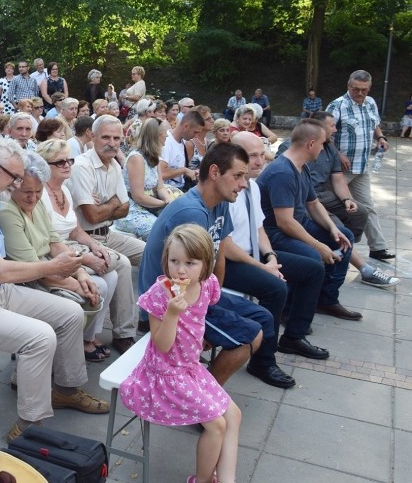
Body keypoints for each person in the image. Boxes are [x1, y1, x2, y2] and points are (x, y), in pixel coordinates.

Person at [0, 138, 109, 442]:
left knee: (70, 312)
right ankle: (29, 426)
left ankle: (65, 390)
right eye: (13, 176)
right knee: (39, 337)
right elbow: (0, 269)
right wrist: (55, 268)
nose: (17, 183)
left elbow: (6, 270)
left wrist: (71, 268)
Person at [138, 143, 289, 388]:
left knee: (263, 316)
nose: (243, 183)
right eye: (238, 176)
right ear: (215, 172)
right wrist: (202, 319)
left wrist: (214, 295)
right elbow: (183, 276)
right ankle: (199, 397)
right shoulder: (191, 211)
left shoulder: (219, 202)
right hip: (170, 303)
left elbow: (220, 251)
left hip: (197, 291)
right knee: (251, 336)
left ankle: (233, 374)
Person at [120, 224, 241, 483]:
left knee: (234, 415)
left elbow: (200, 319)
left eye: (190, 262)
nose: (181, 269)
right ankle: (203, 480)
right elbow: (162, 345)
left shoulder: (207, 285)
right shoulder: (159, 295)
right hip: (162, 375)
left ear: (205, 264)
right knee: (217, 425)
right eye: (174, 261)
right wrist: (173, 313)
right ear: (166, 261)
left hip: (190, 369)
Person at [0, 149, 110, 360]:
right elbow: (34, 269)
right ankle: (54, 364)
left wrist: (81, 274)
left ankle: (64, 357)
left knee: (97, 285)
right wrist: (77, 284)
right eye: (27, 192)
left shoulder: (37, 203)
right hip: (26, 279)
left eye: (38, 191)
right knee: (79, 302)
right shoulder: (7, 211)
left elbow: (55, 243)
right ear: (14, 185)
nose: (33, 197)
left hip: (47, 267)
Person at [226, 131, 329, 359]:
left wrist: (270, 256)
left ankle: (294, 337)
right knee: (276, 288)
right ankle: (263, 360)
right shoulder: (227, 189)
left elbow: (259, 227)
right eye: (252, 155)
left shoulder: (252, 186)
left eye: (262, 154)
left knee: (313, 269)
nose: (260, 161)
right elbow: (225, 245)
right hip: (230, 262)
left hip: (255, 254)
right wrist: (262, 266)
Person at [37, 140, 136, 360]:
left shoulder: (64, 189)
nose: (67, 165)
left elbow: (75, 230)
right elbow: (47, 240)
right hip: (52, 252)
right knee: (105, 278)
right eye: (59, 161)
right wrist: (84, 259)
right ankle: (86, 338)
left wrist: (94, 245)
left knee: (112, 269)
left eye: (69, 160)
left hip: (73, 245)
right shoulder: (39, 195)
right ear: (45, 166)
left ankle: (90, 336)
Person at [276, 114, 398, 289]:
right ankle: (364, 269)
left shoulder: (329, 148)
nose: (336, 129)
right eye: (332, 126)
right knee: (337, 228)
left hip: (321, 195)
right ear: (318, 129)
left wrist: (347, 199)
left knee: (360, 212)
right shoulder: (292, 151)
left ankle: (342, 256)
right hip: (302, 199)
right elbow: (293, 203)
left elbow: (338, 179)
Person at [258, 119, 358, 321]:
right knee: (312, 259)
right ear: (311, 144)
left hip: (297, 225)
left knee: (344, 235)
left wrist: (332, 229)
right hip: (275, 235)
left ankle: (326, 299)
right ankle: (289, 311)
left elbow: (313, 204)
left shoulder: (301, 166)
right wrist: (317, 245)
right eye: (322, 143)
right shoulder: (282, 172)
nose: (324, 148)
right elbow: (284, 222)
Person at [69, 115, 146, 353]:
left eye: (116, 138)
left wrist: (107, 205)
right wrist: (112, 204)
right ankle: (124, 333)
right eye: (106, 137)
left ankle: (153, 313)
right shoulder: (82, 166)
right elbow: (91, 216)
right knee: (121, 265)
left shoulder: (114, 165)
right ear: (92, 137)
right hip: (85, 236)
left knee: (151, 252)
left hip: (108, 232)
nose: (112, 143)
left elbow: (125, 209)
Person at [326, 70, 394, 261]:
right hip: (341, 170)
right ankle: (334, 244)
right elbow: (324, 133)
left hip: (362, 167)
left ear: (369, 88)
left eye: (364, 90)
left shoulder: (371, 103)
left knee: (368, 206)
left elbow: (374, 124)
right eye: (356, 89)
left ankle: (378, 248)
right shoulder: (338, 105)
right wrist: (338, 155)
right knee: (334, 208)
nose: (360, 93)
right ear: (349, 86)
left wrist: (380, 137)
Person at [114, 118, 175, 240]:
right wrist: (164, 203)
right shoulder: (137, 158)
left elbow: (160, 187)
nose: (168, 136)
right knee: (163, 232)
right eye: (166, 133)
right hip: (131, 210)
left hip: (150, 204)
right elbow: (138, 197)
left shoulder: (153, 156)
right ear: (157, 135)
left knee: (180, 220)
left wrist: (168, 200)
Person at [161, 110, 203, 190]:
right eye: (195, 132)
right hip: (168, 192)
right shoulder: (166, 142)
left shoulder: (183, 142)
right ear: (186, 126)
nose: (196, 136)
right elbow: (161, 173)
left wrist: (191, 172)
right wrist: (184, 170)